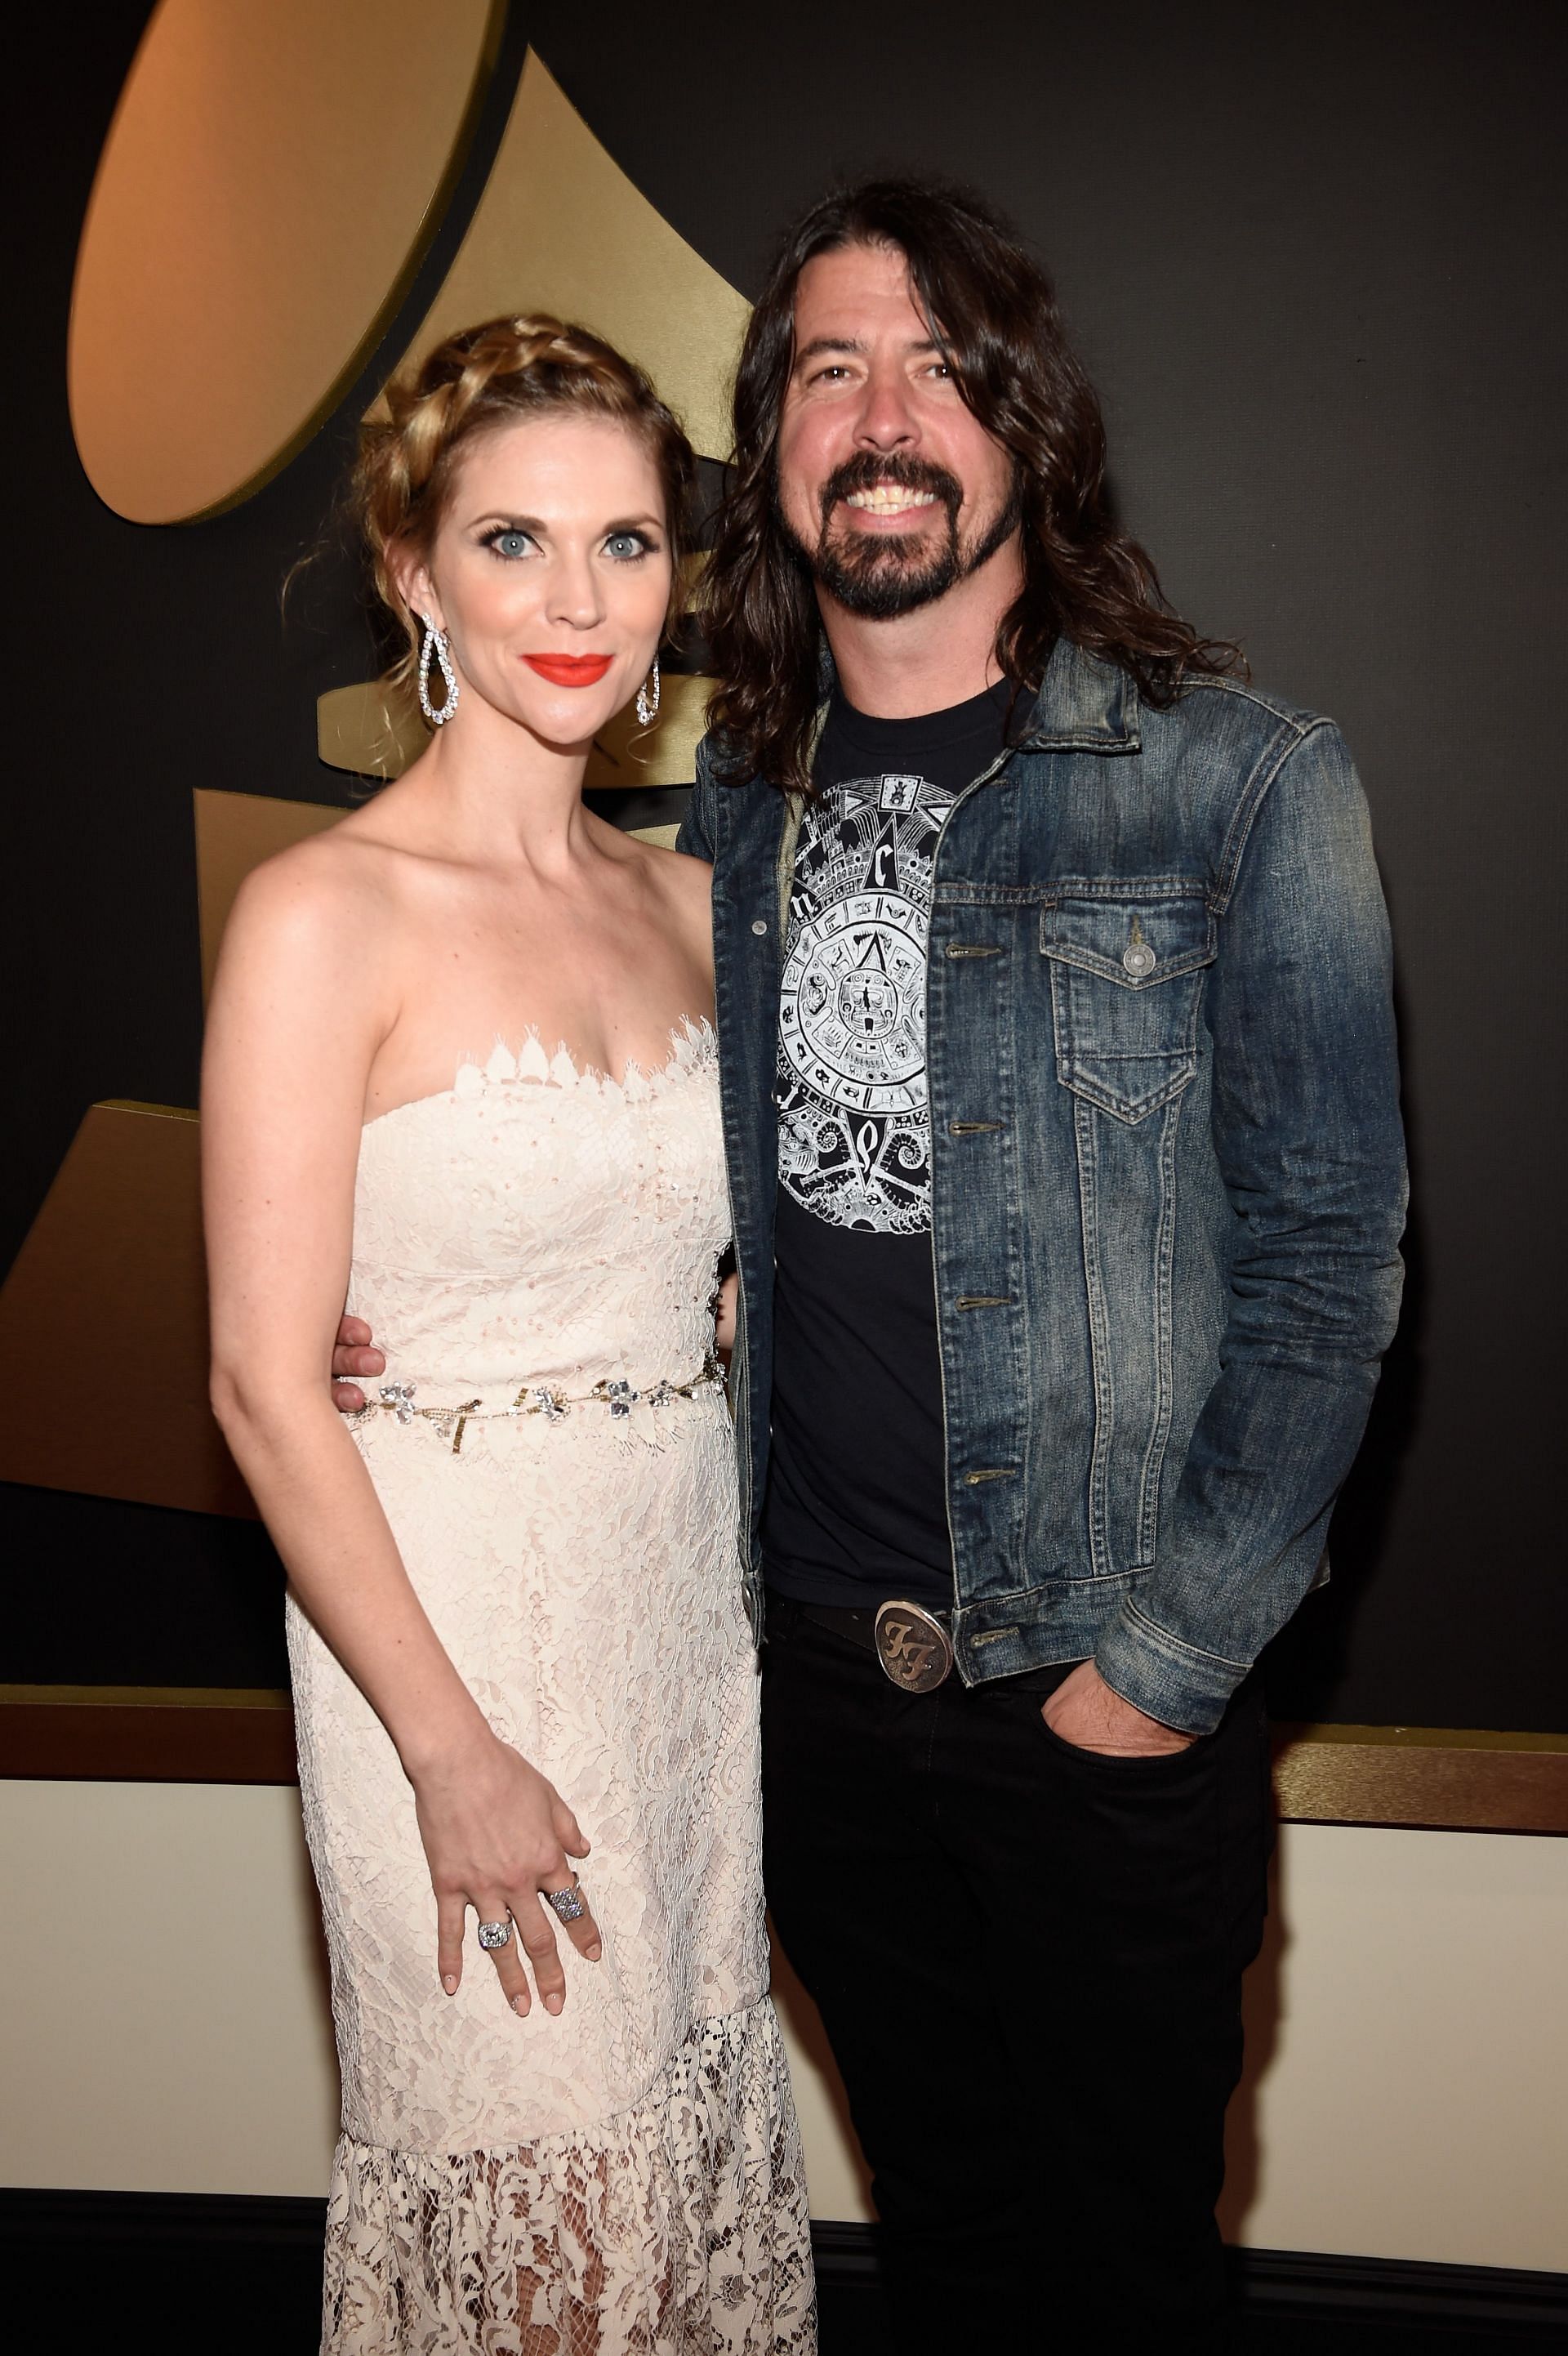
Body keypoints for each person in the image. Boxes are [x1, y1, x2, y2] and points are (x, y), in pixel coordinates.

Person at [335, 180, 1407, 2351]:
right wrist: (409, 1330)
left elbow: (1332, 1272)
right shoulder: (718, 836)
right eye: (830, 367)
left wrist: (1164, 1673)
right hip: (811, 1705)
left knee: (1116, 2289)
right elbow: (650, 1194)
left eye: (938, 363)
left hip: (1101, 1697)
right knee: (947, 2250)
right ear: (780, 446)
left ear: (1025, 424)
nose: (884, 412)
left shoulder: (1240, 789)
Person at [205, 315, 814, 2354]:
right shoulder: (323, 915)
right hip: (450, 1657)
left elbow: (737, 1277)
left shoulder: (701, 900)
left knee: (672, 2215)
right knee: (537, 2237)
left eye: (628, 544)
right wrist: (447, 1751)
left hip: (677, 1635)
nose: (579, 601)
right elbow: (261, 1383)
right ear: (414, 570)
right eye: (515, 541)